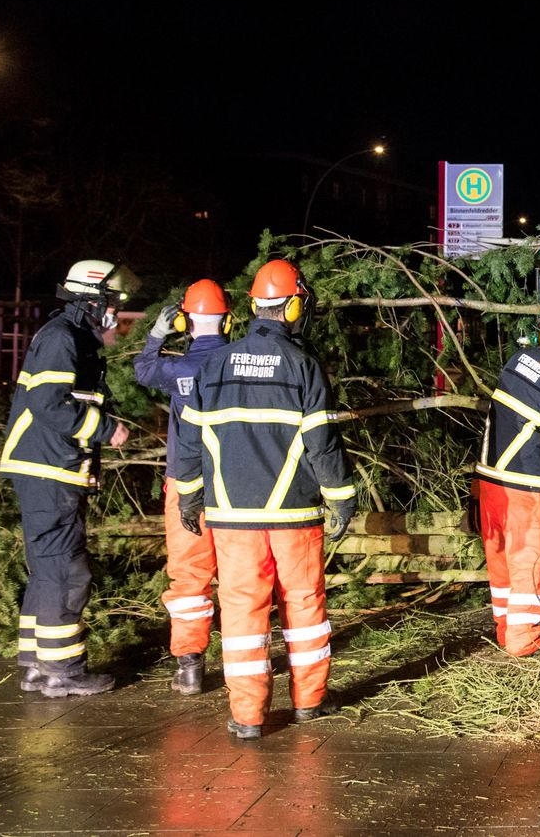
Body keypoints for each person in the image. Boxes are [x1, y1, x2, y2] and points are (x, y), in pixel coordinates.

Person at [172, 259, 356, 739]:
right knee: (304, 607)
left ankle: (248, 717)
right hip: (294, 514)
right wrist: (341, 498)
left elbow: (189, 442)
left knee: (241, 614)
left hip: (232, 518)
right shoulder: (303, 365)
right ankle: (309, 702)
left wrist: (189, 497)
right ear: (293, 307)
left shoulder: (215, 364)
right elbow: (322, 445)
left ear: (254, 307)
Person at [0, 259, 132, 697]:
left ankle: (37, 665)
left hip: (47, 466)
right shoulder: (62, 338)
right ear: (91, 300)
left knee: (47, 569)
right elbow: (50, 404)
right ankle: (63, 671)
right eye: (112, 302)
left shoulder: (67, 335)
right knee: (65, 571)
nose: (115, 312)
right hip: (49, 468)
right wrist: (105, 428)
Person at [133, 279, 232, 695]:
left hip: (183, 479)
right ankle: (246, 663)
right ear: (228, 321)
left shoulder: (178, 369)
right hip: (235, 480)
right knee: (241, 572)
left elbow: (143, 369)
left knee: (190, 572)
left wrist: (157, 334)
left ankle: (190, 666)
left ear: (185, 322)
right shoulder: (238, 363)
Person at [472, 301, 540, 657]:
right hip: (525, 486)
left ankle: (506, 631)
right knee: (529, 561)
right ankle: (525, 642)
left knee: (502, 563)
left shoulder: (516, 360)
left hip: (490, 480)